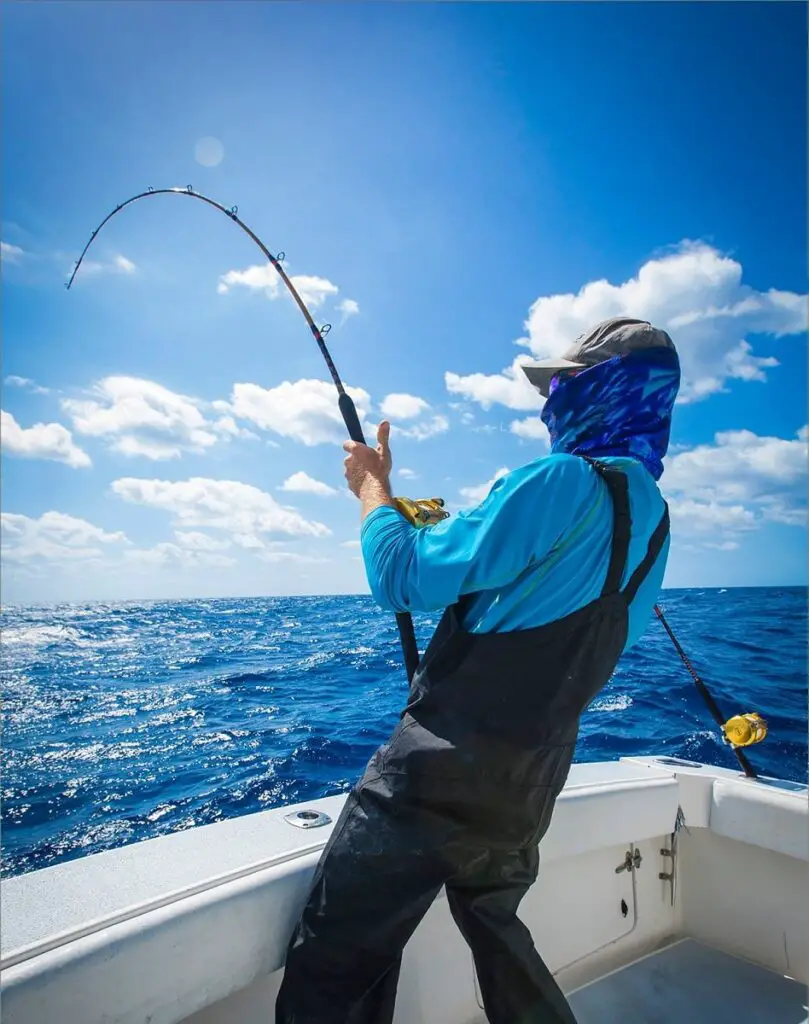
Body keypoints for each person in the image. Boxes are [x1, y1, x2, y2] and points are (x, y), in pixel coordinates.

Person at [276, 317, 681, 1024]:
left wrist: (373, 489)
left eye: (561, 383)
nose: (548, 400)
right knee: (496, 934)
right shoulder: (651, 512)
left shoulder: (557, 479)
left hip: (438, 775)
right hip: (529, 781)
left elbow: (399, 575)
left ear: (605, 389)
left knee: (336, 958)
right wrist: (437, 526)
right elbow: (535, 590)